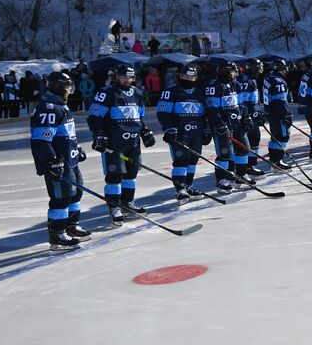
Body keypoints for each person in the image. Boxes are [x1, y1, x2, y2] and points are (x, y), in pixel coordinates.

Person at [87, 64, 154, 222]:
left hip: (133, 142)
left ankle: (127, 202)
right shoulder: (106, 93)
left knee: (131, 175)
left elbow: (139, 116)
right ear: (116, 77)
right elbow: (94, 117)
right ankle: (114, 207)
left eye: (129, 77)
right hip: (114, 144)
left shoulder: (137, 93)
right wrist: (99, 134)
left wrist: (145, 130)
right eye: (123, 77)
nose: (126, 80)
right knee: (114, 176)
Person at [31, 70, 90, 249]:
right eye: (67, 88)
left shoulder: (60, 105)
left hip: (69, 159)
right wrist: (51, 161)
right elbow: (41, 140)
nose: (69, 92)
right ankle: (57, 234)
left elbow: (67, 135)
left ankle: (71, 226)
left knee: (76, 193)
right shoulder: (47, 108)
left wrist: (77, 148)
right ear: (57, 87)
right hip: (57, 162)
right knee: (61, 198)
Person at [157, 63, 209, 202]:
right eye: (185, 76)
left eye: (191, 77)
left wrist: (206, 129)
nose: (188, 79)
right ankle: (180, 189)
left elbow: (204, 115)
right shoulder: (171, 91)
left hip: (195, 132)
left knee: (193, 160)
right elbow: (163, 112)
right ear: (179, 76)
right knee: (181, 161)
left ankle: (189, 186)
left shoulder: (199, 93)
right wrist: (169, 128)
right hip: (179, 133)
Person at [204, 61, 244, 192]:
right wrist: (219, 123)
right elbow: (212, 108)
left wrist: (245, 117)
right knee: (224, 152)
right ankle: (221, 180)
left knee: (232, 152)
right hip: (221, 125)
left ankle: (230, 174)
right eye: (233, 71)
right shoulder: (214, 86)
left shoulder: (234, 84)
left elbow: (240, 103)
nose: (235, 74)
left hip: (234, 124)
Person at [262, 59, 294, 169]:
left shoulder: (269, 77)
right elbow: (279, 100)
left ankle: (273, 159)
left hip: (270, 111)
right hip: (277, 113)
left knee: (275, 137)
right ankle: (278, 160)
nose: (286, 71)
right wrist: (286, 113)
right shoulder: (278, 81)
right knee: (283, 136)